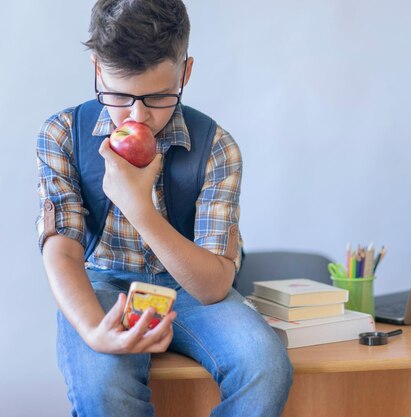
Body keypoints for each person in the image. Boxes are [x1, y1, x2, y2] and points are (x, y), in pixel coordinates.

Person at [35, 1, 293, 416]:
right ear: (98, 69)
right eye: (119, 95)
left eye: (157, 96)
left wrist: (139, 209)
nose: (138, 115)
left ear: (185, 73)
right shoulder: (63, 134)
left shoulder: (216, 147)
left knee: (265, 366)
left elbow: (212, 286)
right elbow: (61, 249)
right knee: (103, 388)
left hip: (191, 286)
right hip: (103, 285)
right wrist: (93, 332)